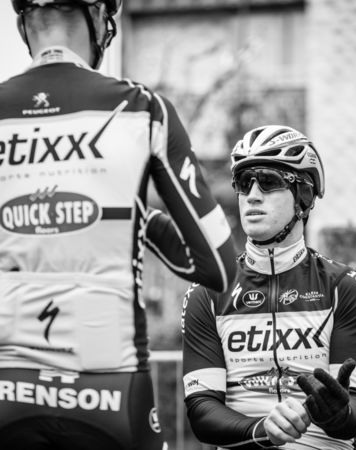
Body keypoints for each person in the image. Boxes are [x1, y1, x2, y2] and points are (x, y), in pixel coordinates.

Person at [0, 1, 236, 449]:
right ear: (98, 19)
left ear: (22, 24)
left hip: (7, 391)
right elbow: (220, 267)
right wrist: (141, 223)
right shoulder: (142, 109)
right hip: (111, 393)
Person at [182, 125, 356, 449]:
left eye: (269, 181)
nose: (252, 195)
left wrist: (338, 414)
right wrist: (261, 429)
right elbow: (202, 410)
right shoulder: (209, 292)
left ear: (304, 195)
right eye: (243, 182)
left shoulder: (345, 288)